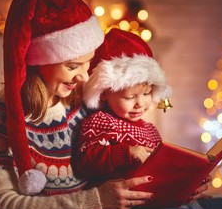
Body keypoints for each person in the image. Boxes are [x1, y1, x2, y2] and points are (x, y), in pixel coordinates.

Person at [0, 0, 222, 209]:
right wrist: (95, 202)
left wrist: (180, 184)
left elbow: (122, 151)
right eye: (73, 67)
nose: (84, 77)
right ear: (37, 61)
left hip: (116, 205)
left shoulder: (84, 100)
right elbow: (0, 207)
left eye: (87, 64)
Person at [73, 28, 171, 183]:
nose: (140, 103)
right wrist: (125, 153)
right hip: (122, 200)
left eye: (146, 94)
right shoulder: (99, 121)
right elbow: (84, 163)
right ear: (105, 92)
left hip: (152, 196)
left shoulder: (150, 130)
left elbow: (162, 167)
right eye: (130, 97)